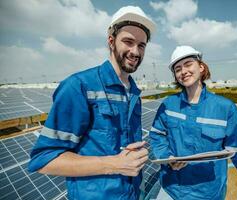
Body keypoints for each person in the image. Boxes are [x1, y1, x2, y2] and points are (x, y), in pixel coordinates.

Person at [28, 6, 156, 200]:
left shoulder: (134, 93)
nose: (135, 51)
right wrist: (114, 164)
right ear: (111, 41)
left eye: (141, 45)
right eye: (128, 42)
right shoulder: (78, 86)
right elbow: (44, 159)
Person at [149, 45, 237, 199]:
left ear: (201, 67)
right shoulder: (169, 105)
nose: (183, 71)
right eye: (177, 69)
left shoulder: (225, 108)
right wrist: (166, 156)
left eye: (188, 64)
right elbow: (157, 135)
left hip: (208, 194)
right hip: (172, 190)